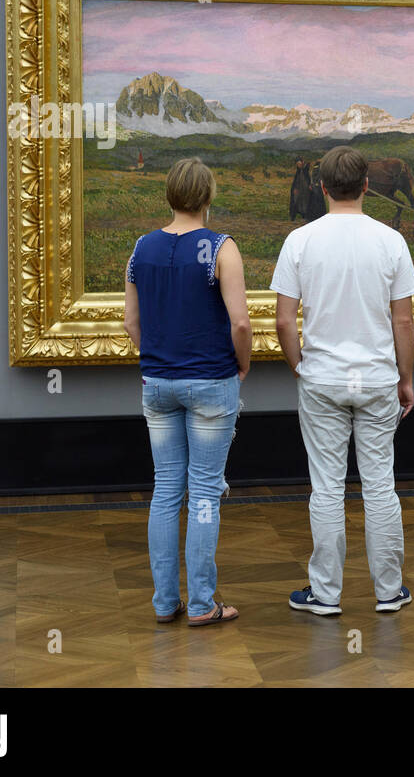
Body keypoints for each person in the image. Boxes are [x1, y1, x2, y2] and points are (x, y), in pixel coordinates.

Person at [271, 145, 414, 616]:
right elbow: (403, 323)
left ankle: (326, 594)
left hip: (322, 379)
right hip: (377, 379)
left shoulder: (300, 241)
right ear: (368, 185)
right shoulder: (390, 242)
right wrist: (406, 379)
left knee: (327, 487)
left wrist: (299, 366)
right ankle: (389, 591)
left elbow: (283, 322)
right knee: (380, 485)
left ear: (321, 187)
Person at [123, 157, 252, 627]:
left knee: (164, 492)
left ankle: (163, 603)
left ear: (170, 194)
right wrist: (243, 365)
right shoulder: (222, 248)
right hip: (212, 384)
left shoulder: (142, 248)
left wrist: (159, 362)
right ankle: (201, 604)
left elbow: (131, 322)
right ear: (208, 196)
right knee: (203, 493)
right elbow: (240, 322)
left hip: (157, 385)